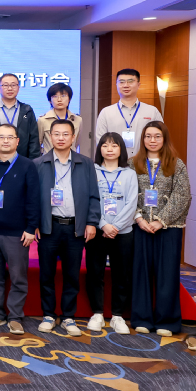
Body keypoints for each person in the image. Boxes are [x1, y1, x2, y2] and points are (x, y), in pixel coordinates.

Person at [34, 119, 100, 337]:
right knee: (47, 274)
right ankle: (48, 315)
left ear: (73, 137)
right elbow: (32, 198)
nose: (61, 138)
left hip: (75, 228)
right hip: (49, 227)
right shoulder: (39, 163)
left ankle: (68, 316)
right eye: (56, 134)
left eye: (65, 134)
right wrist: (35, 224)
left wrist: (91, 222)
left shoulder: (85, 163)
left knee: (72, 275)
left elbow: (94, 196)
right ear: (50, 136)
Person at [130, 121, 191, 337]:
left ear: (164, 139)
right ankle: (142, 318)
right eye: (148, 136)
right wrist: (139, 218)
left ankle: (168, 321)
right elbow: (127, 194)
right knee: (141, 273)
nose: (152, 140)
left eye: (157, 136)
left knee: (168, 274)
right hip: (141, 226)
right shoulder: (133, 163)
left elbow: (182, 196)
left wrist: (161, 220)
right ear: (143, 139)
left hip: (169, 228)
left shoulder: (176, 164)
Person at [0, 124, 40, 335]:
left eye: (10, 137)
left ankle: (15, 317)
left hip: (17, 233)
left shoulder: (27, 165)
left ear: (17, 141)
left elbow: (34, 198)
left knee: (18, 277)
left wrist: (31, 227)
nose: (5, 141)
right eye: (1, 137)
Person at [86, 132, 138, 335]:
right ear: (99, 148)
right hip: (97, 230)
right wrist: (103, 225)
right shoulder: (92, 171)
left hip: (123, 232)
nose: (109, 149)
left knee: (121, 274)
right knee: (95, 273)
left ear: (121, 149)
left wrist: (115, 226)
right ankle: (97, 313)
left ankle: (117, 315)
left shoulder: (129, 174)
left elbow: (132, 203)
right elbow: (88, 199)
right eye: (105, 145)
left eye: (114, 145)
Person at [95, 68, 163, 158]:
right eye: (121, 82)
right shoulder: (106, 112)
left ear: (138, 85)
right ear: (116, 85)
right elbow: (100, 141)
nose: (126, 85)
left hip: (144, 163)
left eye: (130, 81)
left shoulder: (152, 111)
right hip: (116, 163)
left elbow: (160, 137)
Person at [0, 73, 40, 160]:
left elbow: (34, 138)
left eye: (13, 85)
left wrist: (33, 161)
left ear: (18, 88)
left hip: (21, 159)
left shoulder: (27, 110)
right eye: (5, 85)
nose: (10, 88)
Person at [38, 82, 82, 154]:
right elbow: (38, 144)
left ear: (69, 99)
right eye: (55, 96)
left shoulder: (77, 119)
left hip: (71, 158)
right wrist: (46, 153)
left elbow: (76, 142)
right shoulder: (43, 120)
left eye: (63, 96)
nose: (59, 99)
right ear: (50, 101)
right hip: (49, 159)